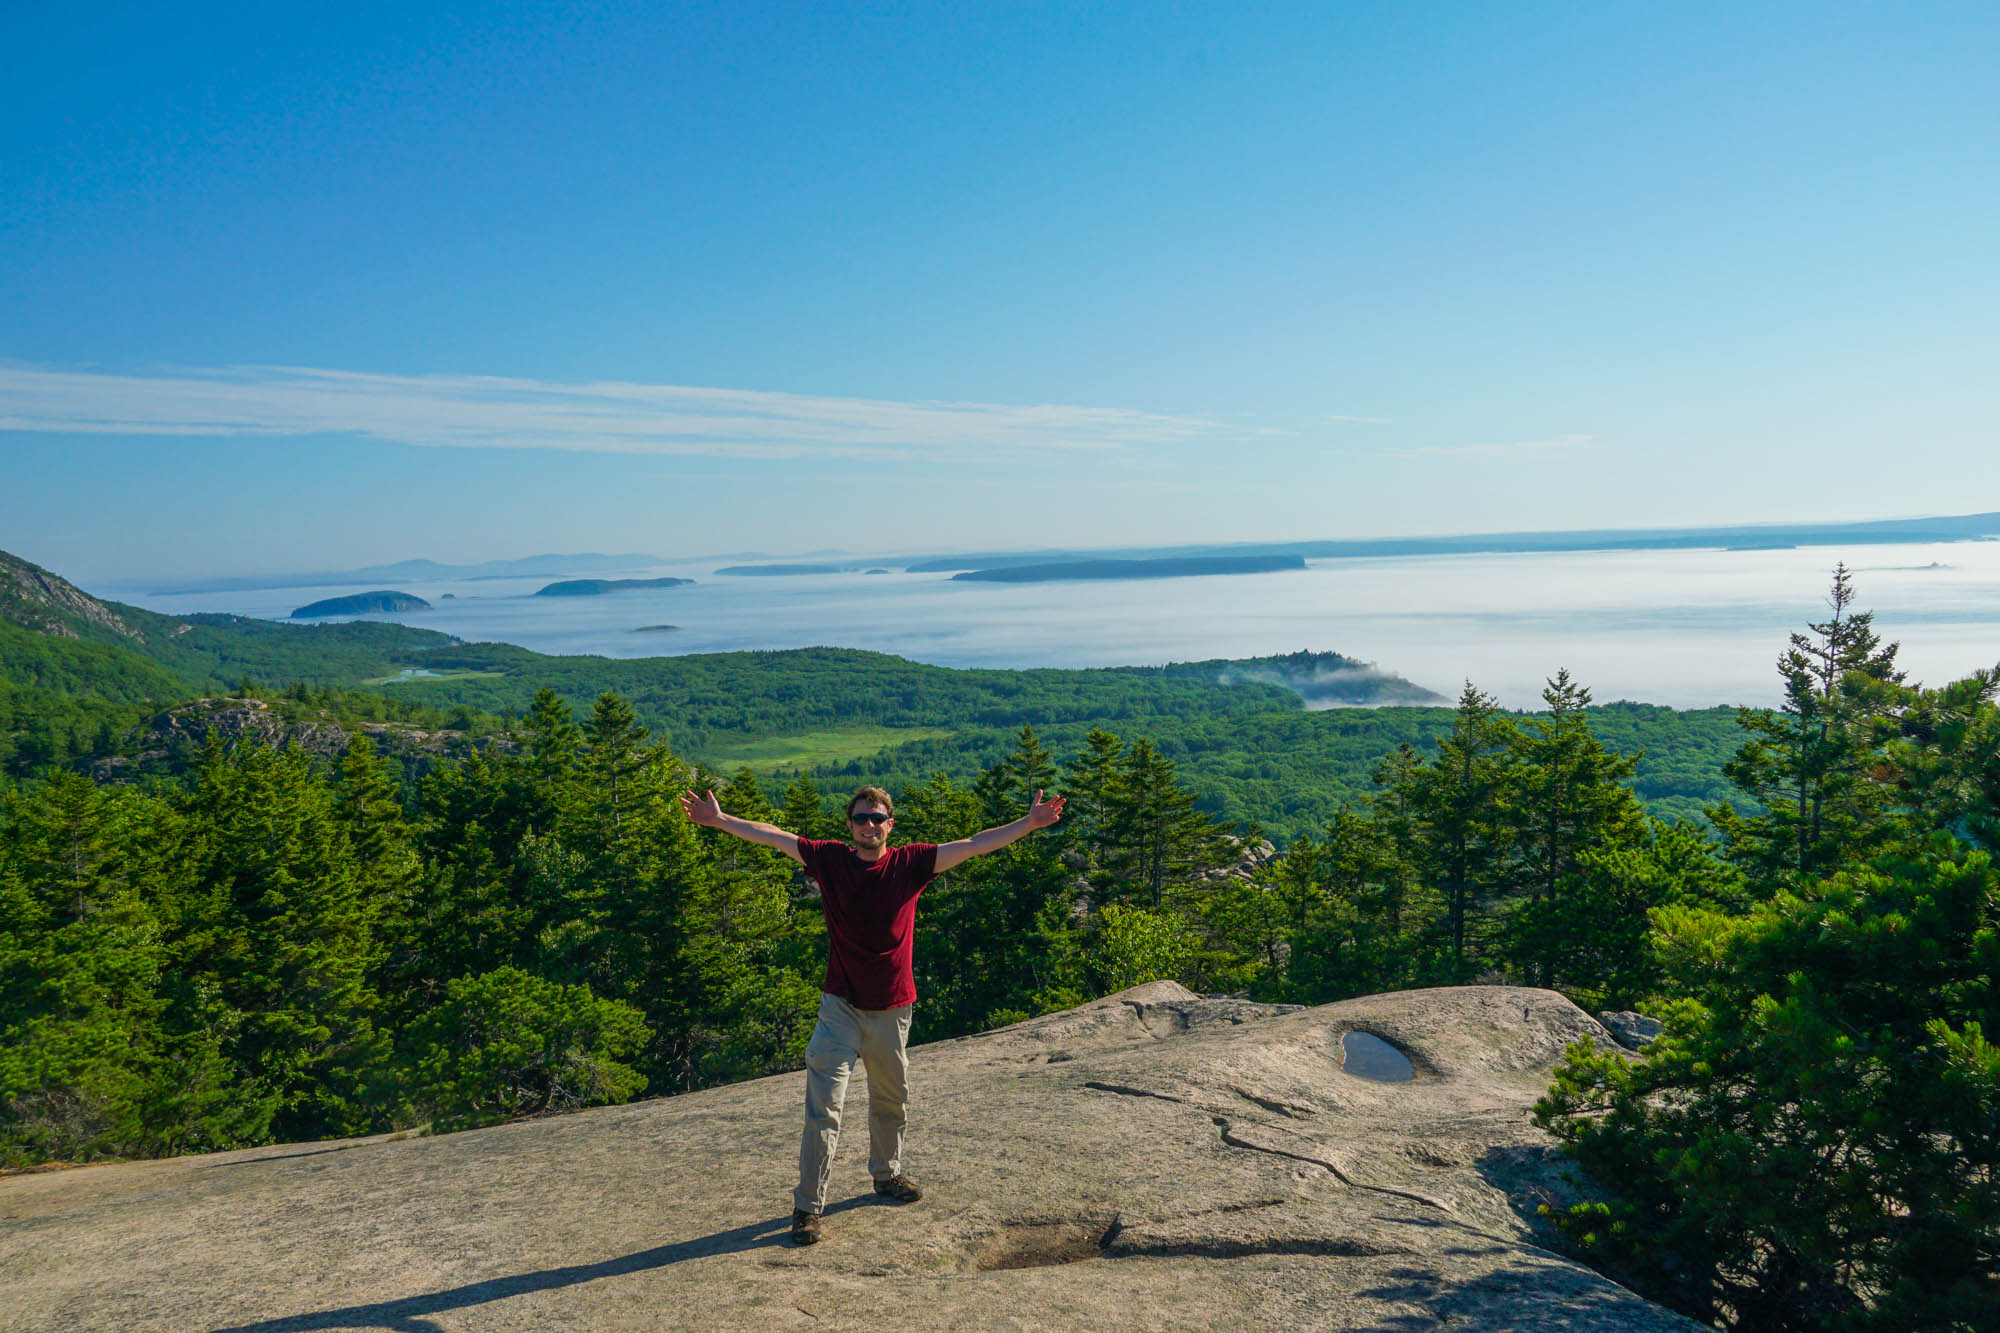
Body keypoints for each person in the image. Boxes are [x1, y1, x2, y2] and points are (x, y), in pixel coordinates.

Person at [678, 781, 1065, 1245]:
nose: (868, 826)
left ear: (889, 825)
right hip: (839, 1008)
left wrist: (1030, 823)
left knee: (891, 1099)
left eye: (876, 818)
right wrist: (720, 821)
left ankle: (886, 1175)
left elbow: (975, 844)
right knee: (825, 1110)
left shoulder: (911, 863)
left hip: (893, 1010)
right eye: (861, 818)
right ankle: (807, 1207)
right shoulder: (829, 860)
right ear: (850, 825)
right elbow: (773, 835)